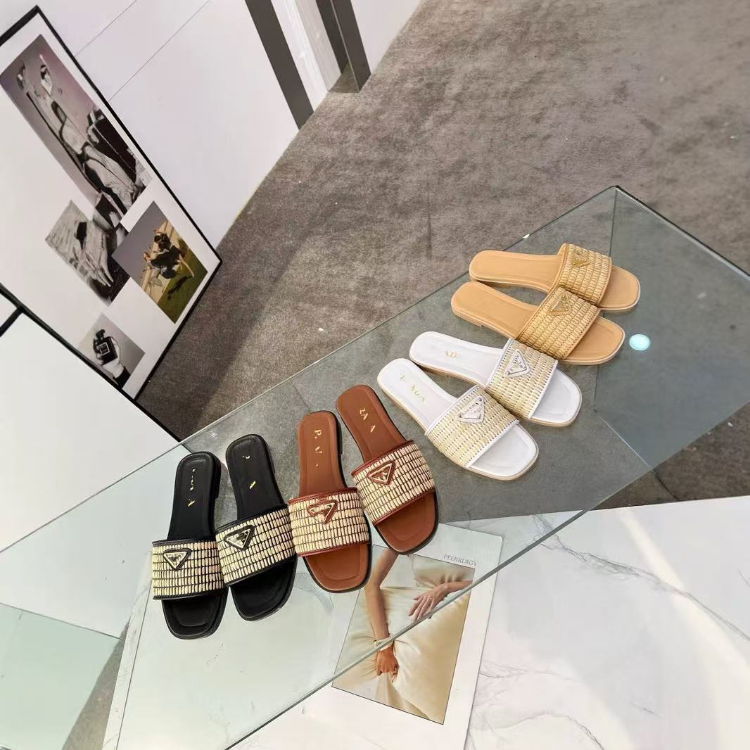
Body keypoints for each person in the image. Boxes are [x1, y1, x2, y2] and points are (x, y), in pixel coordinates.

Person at [333, 548, 471, 722]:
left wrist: (446, 588)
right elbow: (371, 584)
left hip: (461, 598)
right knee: (390, 663)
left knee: (409, 652)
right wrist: (384, 646)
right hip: (419, 606)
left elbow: (490, 578)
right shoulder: (403, 535)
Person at [16, 56, 139, 214]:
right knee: (63, 119)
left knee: (59, 124)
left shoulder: (125, 195)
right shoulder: (130, 183)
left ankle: (33, 89)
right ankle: (41, 85)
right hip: (88, 149)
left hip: (85, 153)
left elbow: (113, 187)